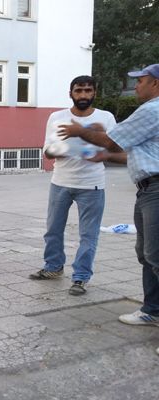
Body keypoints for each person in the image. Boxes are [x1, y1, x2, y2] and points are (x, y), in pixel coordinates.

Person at [57, 65, 159, 341]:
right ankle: (152, 309)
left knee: (156, 256)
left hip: (155, 191)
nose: (136, 86)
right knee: (148, 254)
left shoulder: (152, 109)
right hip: (147, 189)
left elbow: (112, 142)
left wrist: (81, 131)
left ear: (156, 83)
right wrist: (106, 156)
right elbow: (137, 153)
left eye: (141, 81)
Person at [28, 75, 116, 296]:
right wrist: (64, 148)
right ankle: (53, 267)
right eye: (79, 91)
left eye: (88, 90)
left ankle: (81, 277)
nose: (83, 95)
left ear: (95, 92)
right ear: (71, 93)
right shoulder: (57, 117)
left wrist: (95, 149)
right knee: (53, 230)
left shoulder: (106, 118)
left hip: (93, 185)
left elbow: (115, 148)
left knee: (89, 235)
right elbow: (48, 151)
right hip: (61, 182)